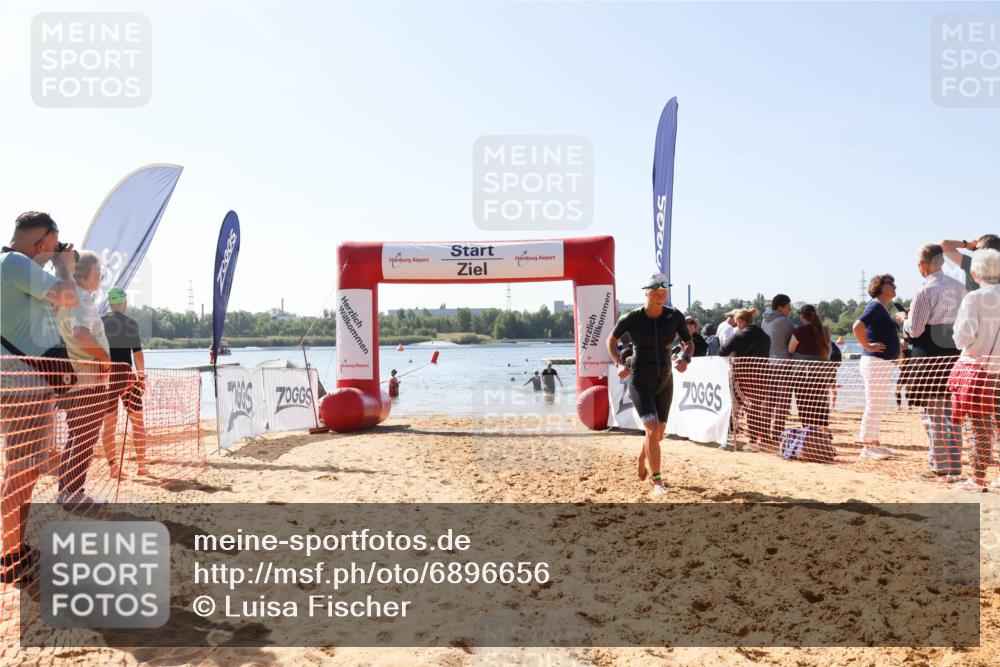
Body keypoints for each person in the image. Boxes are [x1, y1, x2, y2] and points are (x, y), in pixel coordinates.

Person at [1, 212, 79, 584]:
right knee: (20, 472)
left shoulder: (13, 268)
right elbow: (70, 297)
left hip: (24, 383)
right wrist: (65, 267)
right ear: (40, 243)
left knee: (26, 470)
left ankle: (16, 548)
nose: (56, 252)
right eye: (54, 245)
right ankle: (8, 555)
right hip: (22, 386)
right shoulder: (15, 263)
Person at [606, 272, 693, 496]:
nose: (660, 297)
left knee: (658, 434)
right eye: (656, 293)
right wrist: (618, 363)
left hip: (664, 381)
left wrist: (685, 358)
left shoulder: (674, 316)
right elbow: (611, 340)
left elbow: (688, 342)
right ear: (647, 293)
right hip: (640, 381)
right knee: (652, 430)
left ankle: (643, 457)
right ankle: (658, 482)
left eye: (664, 293)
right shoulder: (632, 318)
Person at [895, 243, 966, 481]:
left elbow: (914, 330)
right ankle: (954, 465)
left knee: (933, 414)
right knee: (953, 412)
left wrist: (903, 319)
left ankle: (938, 465)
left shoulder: (925, 291)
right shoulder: (960, 288)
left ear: (921, 265)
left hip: (930, 357)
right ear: (941, 261)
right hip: (955, 354)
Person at [55, 251, 112, 509]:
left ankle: (66, 493)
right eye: (97, 273)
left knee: (76, 437)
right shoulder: (82, 299)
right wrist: (104, 359)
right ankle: (74, 496)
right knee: (84, 440)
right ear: (86, 274)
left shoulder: (66, 298)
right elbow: (80, 333)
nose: (99, 278)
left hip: (75, 380)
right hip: (89, 380)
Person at [948, 248, 1000, 491]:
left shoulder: (974, 298)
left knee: (977, 426)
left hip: (978, 370)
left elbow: (963, 336)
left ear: (975, 271)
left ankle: (978, 479)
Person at [852, 274, 902, 459]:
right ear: (880, 286)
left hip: (881, 362)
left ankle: (874, 442)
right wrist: (867, 346)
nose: (895, 286)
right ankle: (868, 445)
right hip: (875, 362)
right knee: (874, 402)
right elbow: (857, 326)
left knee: (878, 402)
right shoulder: (875, 305)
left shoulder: (882, 308)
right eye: (891, 283)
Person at [101, 287, 149, 477]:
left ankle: (113, 467)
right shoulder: (130, 323)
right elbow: (137, 354)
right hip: (127, 376)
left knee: (109, 425)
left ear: (110, 303)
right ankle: (142, 466)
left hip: (107, 376)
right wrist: (141, 376)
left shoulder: (100, 321)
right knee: (138, 423)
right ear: (124, 303)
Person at [788, 304, 836, 460]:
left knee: (805, 407)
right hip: (821, 373)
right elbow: (828, 350)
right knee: (820, 405)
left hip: (803, 374)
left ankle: (809, 441)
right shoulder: (825, 330)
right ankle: (823, 440)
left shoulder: (799, 331)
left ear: (802, 316)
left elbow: (790, 349)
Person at [720, 308, 771, 449]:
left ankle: (752, 440)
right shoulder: (765, 336)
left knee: (743, 407)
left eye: (737, 323)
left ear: (742, 322)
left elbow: (722, 351)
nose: (736, 326)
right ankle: (761, 437)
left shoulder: (740, 336)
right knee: (756, 408)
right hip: (763, 375)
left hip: (744, 377)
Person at [762, 294, 795, 445]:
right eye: (789, 307)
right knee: (783, 402)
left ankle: (763, 433)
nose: (790, 310)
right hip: (783, 364)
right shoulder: (786, 322)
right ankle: (777, 434)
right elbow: (793, 343)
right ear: (781, 308)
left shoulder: (764, 319)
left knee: (768, 400)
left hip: (768, 364)